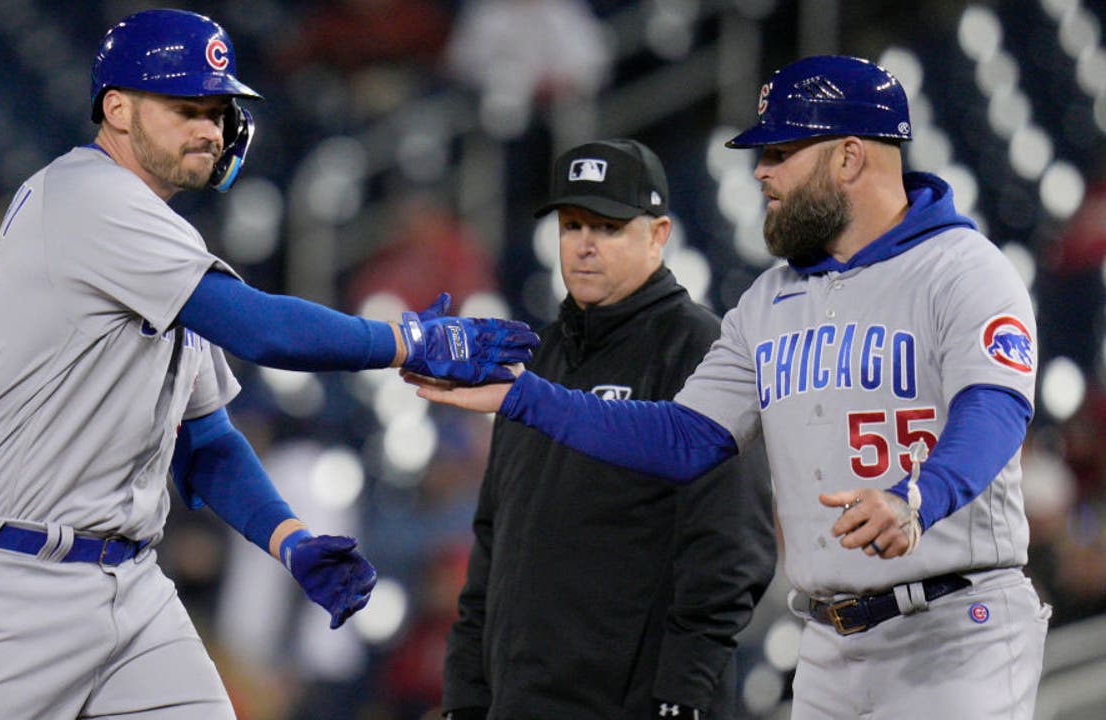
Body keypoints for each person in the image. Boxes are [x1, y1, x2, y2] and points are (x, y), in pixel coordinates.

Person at [0, 9, 537, 720]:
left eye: (216, 108)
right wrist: (412, 343)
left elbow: (206, 441)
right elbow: (259, 329)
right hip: (8, 589)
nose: (209, 127)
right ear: (116, 108)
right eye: (185, 107)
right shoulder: (87, 197)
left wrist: (290, 541)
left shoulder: (154, 240)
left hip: (131, 589)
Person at [410, 56, 1051, 719]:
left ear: (850, 158)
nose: (761, 171)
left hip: (954, 622)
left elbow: (996, 408)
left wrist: (920, 496)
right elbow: (684, 438)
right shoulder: (770, 300)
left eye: (781, 150)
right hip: (830, 643)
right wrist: (526, 396)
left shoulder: (963, 268)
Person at [439, 139, 776, 720]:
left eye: (609, 227)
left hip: (633, 703)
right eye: (572, 226)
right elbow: (496, 541)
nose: (585, 246)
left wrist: (686, 690)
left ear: (659, 234)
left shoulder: (699, 349)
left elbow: (730, 543)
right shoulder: (539, 357)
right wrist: (466, 695)